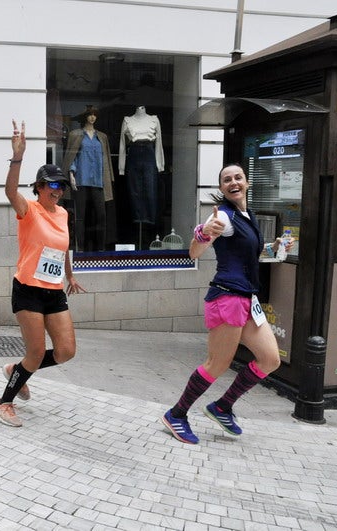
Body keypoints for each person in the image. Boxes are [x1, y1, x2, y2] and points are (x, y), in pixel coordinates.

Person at [162, 163, 290, 444]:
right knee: (217, 364)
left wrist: (274, 246)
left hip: (246, 300)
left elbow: (247, 256)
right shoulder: (225, 218)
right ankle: (177, 414)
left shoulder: (248, 215)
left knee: (270, 359)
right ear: (221, 188)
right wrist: (205, 233)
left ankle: (222, 407)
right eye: (226, 179)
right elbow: (194, 251)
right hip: (227, 298)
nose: (233, 182)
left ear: (246, 183)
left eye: (238, 177)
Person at [0, 120, 86, 428]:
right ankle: (3, 403)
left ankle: (17, 370)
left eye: (62, 186)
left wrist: (69, 276)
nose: (58, 191)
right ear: (40, 187)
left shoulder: (63, 214)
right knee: (34, 352)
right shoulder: (29, 210)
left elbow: (62, 248)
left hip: (53, 290)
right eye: (53, 185)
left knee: (66, 351)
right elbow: (9, 191)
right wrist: (17, 157)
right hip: (28, 289)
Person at [62, 105, 114, 251]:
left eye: (94, 115)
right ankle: (80, 249)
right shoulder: (75, 134)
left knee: (101, 215)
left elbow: (106, 159)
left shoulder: (102, 137)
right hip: (81, 180)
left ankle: (100, 249)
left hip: (98, 181)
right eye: (90, 114)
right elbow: (73, 156)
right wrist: (71, 174)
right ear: (85, 117)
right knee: (80, 216)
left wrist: (108, 178)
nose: (92, 117)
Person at [118, 105, 165, 227]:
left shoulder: (154, 120)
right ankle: (136, 218)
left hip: (149, 153)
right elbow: (122, 145)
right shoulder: (127, 120)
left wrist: (160, 164)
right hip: (133, 153)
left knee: (150, 187)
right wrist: (121, 167)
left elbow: (159, 143)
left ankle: (149, 219)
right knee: (134, 189)